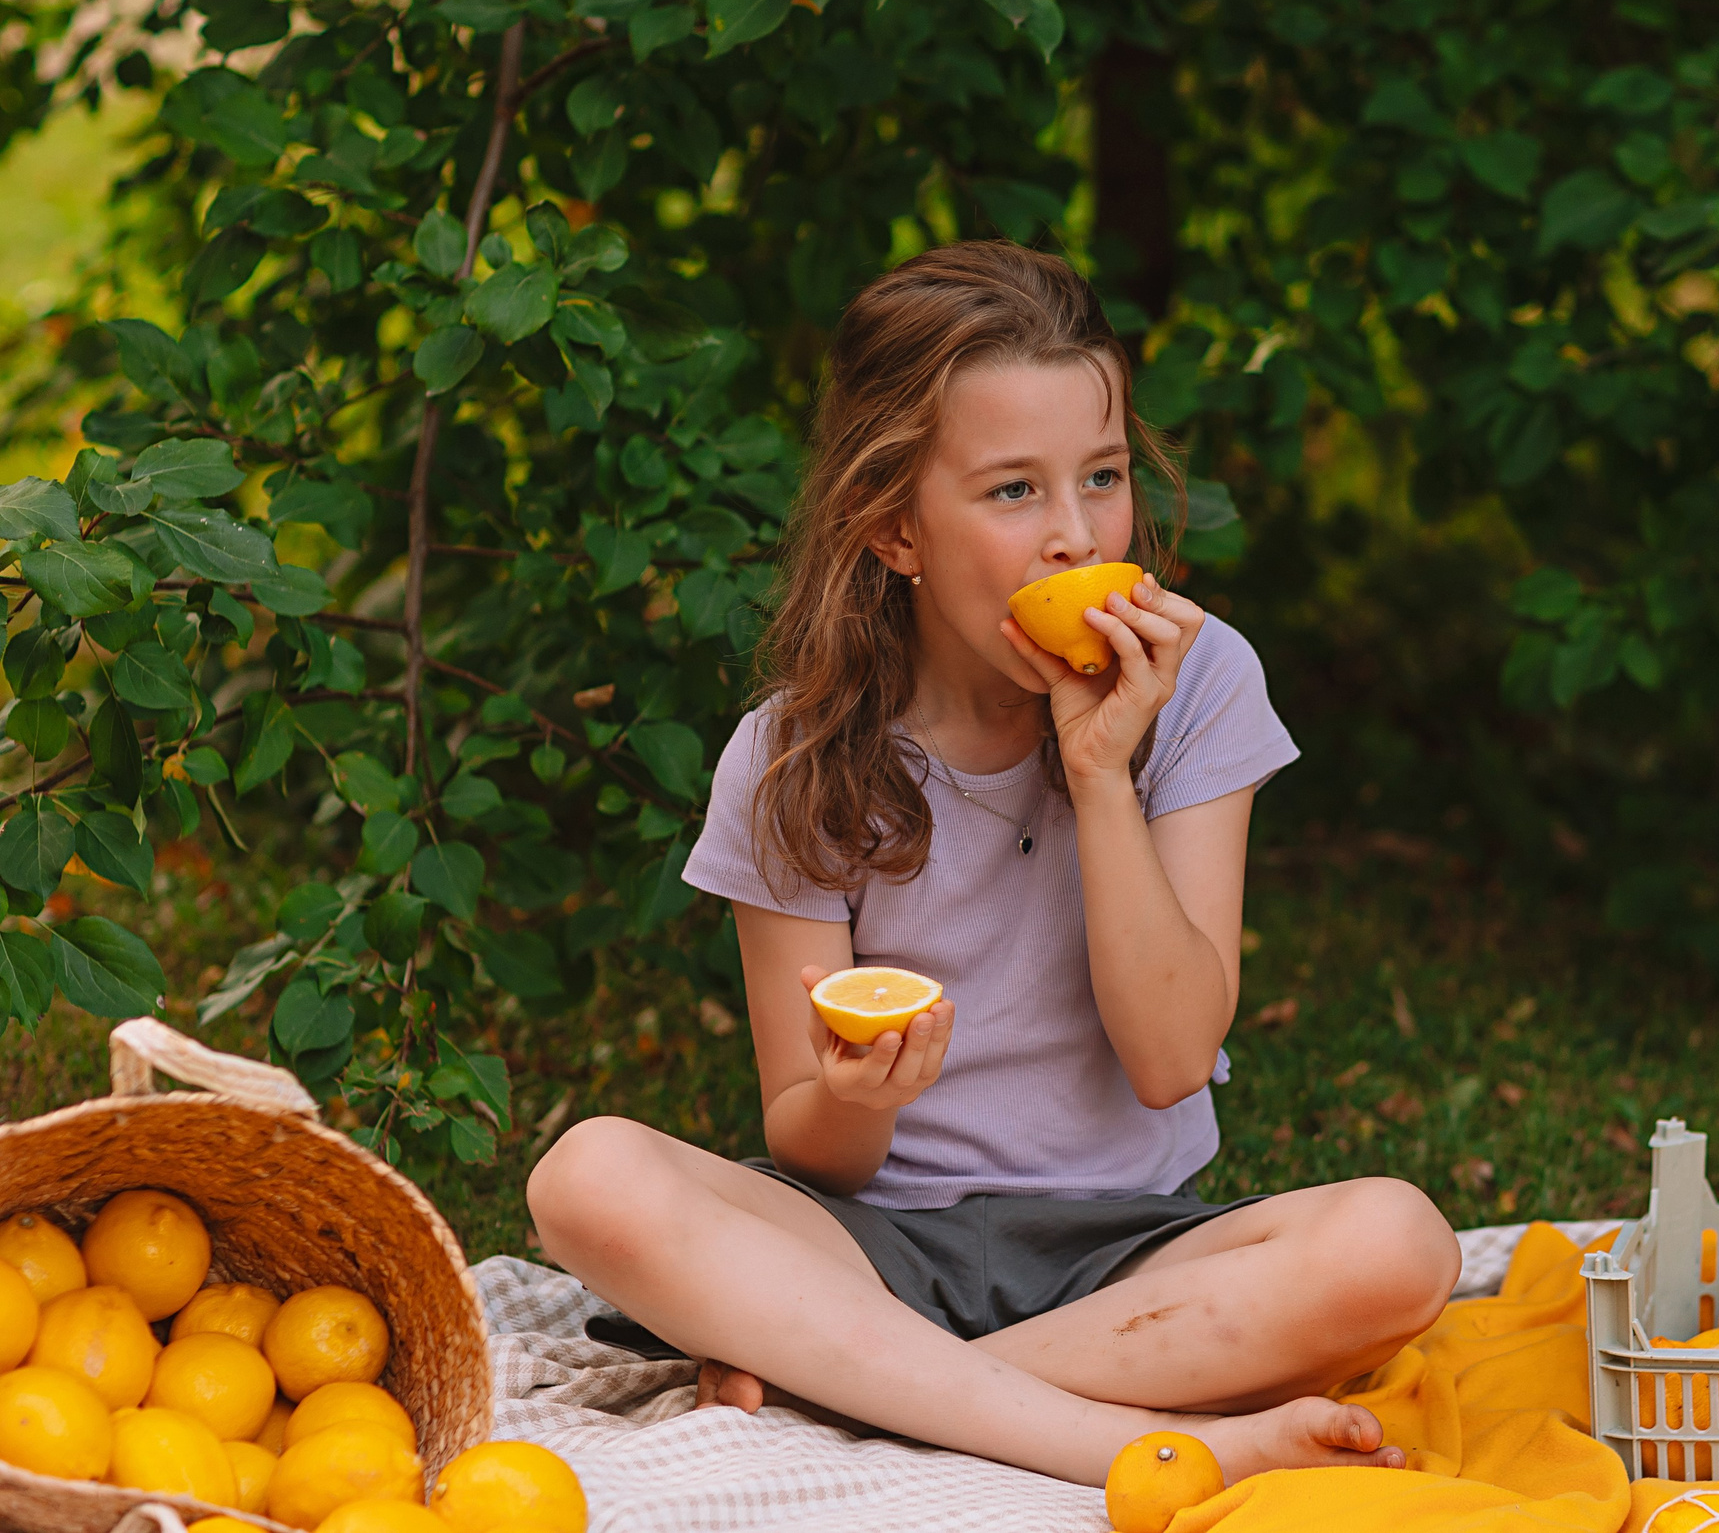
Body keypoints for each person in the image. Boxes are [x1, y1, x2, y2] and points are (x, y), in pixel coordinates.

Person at [527, 242, 1461, 1487]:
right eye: (1013, 491)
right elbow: (806, 1143)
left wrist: (1097, 772)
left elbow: (1172, 1054)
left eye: (1104, 477)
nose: (1074, 537)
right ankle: (1148, 1438)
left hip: (1123, 1251)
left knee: (1397, 1243)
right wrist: (861, 1094)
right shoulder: (794, 751)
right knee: (585, 1175)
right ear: (894, 528)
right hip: (863, 1242)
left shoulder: (1195, 683)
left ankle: (857, 1381)